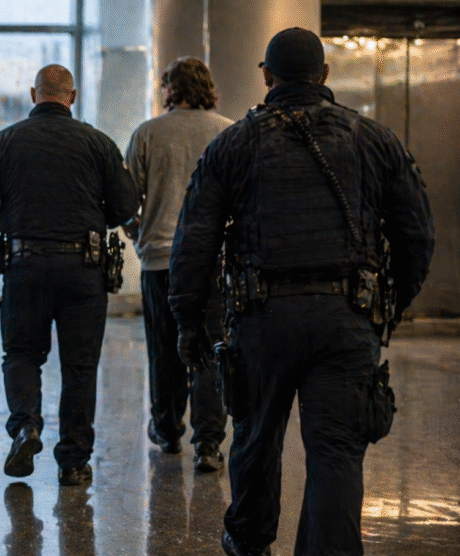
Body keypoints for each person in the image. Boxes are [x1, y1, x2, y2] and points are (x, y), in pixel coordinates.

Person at [168, 27, 434, 555]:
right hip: (345, 319)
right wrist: (388, 307)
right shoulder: (373, 138)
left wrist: (188, 319)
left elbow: (194, 240)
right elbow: (417, 234)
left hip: (261, 318)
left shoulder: (235, 143)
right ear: (326, 75)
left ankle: (248, 541)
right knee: (336, 453)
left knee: (255, 439)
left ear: (266, 76)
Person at [0, 64, 137, 486]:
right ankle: (73, 462)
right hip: (83, 270)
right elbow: (125, 208)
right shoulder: (98, 143)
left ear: (34, 94)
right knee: (79, 367)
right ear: (71, 97)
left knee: (21, 355)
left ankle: (25, 427)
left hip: (25, 266)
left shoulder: (5, 142)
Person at [124, 57, 232, 472]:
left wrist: (138, 233)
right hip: (213, 261)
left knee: (165, 348)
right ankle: (208, 443)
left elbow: (126, 198)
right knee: (211, 349)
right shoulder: (227, 131)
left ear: (169, 89)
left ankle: (167, 430)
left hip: (160, 260)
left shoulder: (148, 133)